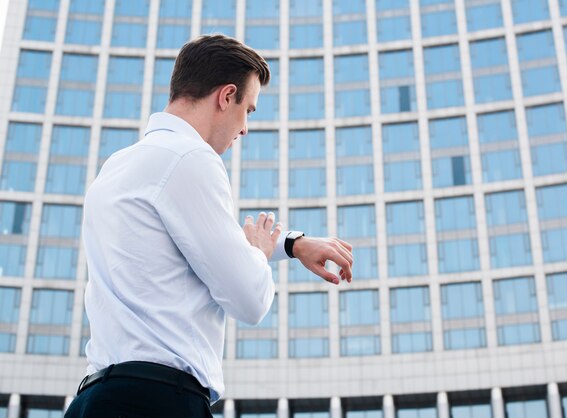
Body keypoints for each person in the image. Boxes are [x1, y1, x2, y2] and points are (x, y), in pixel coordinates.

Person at [64, 34, 353, 418]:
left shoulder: (119, 166)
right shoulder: (191, 159)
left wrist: (291, 244)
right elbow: (249, 299)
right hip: (158, 400)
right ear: (226, 95)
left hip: (94, 400)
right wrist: (258, 253)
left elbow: (194, 244)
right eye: (248, 109)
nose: (246, 128)